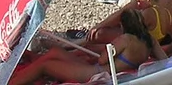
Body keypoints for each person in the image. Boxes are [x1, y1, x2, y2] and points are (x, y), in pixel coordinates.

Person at [13, 9, 164, 85]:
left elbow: (104, 60)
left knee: (46, 65)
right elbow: (164, 59)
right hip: (109, 70)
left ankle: (11, 82)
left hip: (94, 72)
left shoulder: (125, 39)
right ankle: (30, 61)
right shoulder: (149, 40)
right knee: (55, 51)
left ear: (123, 25)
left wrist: (102, 50)